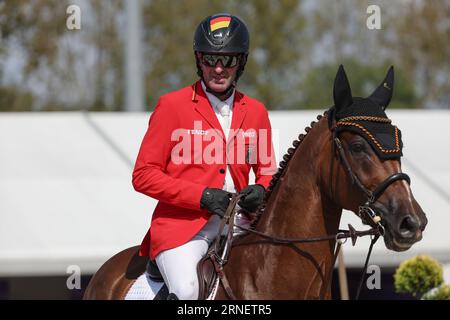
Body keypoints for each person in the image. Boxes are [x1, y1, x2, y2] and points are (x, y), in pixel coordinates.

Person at [132, 13, 276, 300]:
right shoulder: (172, 106)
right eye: (210, 59)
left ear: (241, 63)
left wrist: (262, 190)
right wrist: (201, 196)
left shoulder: (256, 111)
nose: (219, 69)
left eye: (229, 61)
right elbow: (143, 175)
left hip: (240, 223)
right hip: (184, 227)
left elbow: (267, 171)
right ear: (199, 60)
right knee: (187, 291)